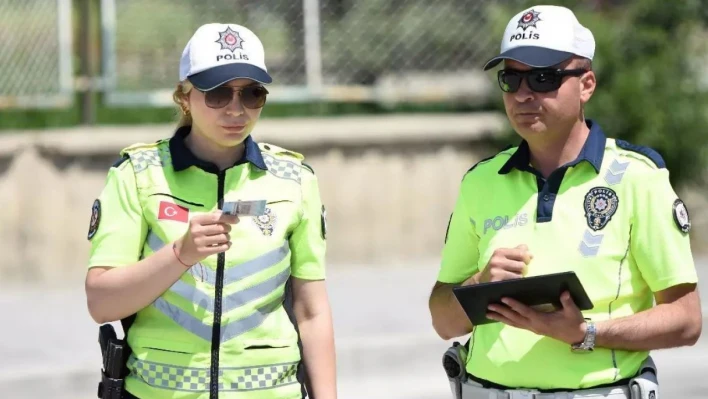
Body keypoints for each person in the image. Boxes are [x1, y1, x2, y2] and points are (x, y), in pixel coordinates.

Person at [429, 5, 702, 398]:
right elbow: (442, 322)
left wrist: (586, 334)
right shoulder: (480, 181)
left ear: (586, 84)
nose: (524, 94)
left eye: (543, 78)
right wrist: (478, 283)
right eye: (512, 79)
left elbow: (686, 320)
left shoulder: (637, 177)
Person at [85, 22, 337, 399]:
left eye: (252, 94)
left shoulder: (295, 179)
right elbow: (101, 302)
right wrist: (179, 255)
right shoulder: (138, 174)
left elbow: (312, 311)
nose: (237, 109)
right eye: (218, 93)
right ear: (184, 97)